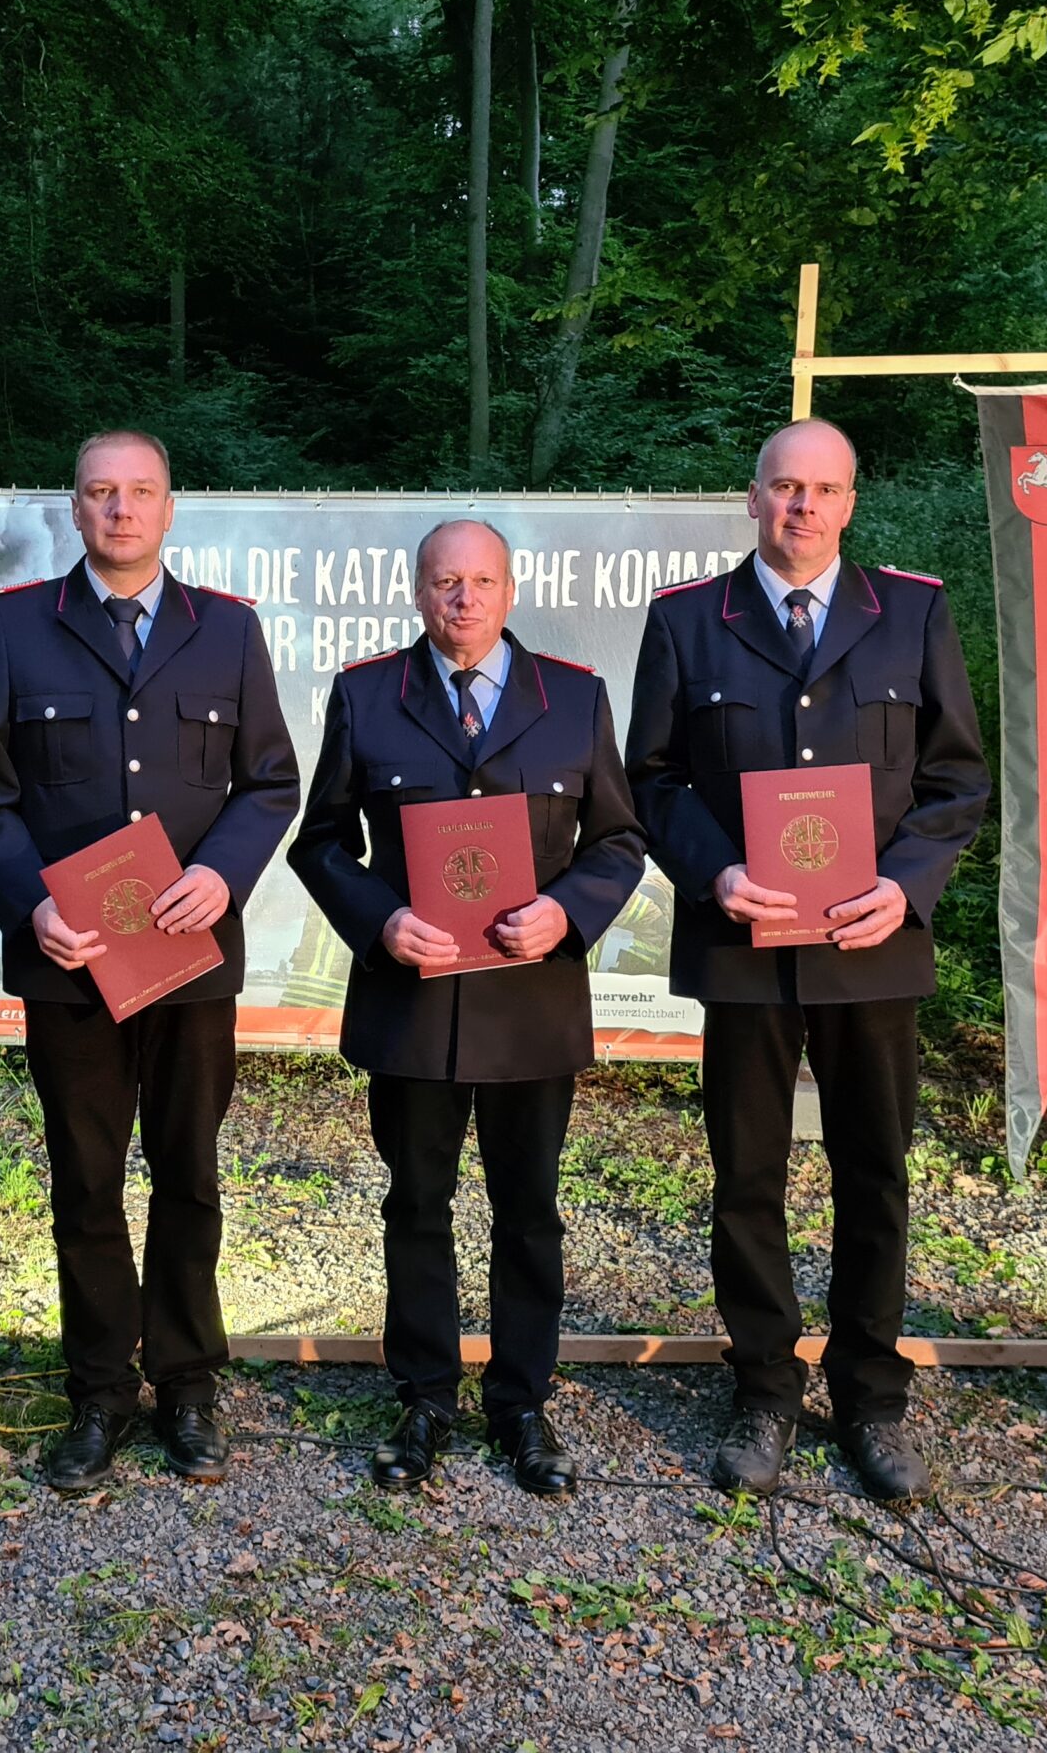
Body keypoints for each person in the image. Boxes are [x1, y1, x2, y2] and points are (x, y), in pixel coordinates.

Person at [624, 418, 988, 1503]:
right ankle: (765, 1389)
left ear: (850, 503)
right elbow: (651, 780)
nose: (803, 507)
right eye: (785, 486)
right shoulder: (689, 619)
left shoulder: (911, 612)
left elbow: (956, 780)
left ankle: (871, 1396)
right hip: (745, 944)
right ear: (753, 498)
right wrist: (714, 872)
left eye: (825, 489)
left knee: (874, 1175)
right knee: (747, 1177)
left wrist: (905, 885)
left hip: (870, 944)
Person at [0, 431, 299, 1492]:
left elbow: (269, 782)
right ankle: (98, 1391)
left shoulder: (226, 630)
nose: (121, 510)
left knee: (188, 1173)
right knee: (86, 1180)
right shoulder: (16, 627)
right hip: (71, 961)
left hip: (190, 960)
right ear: (74, 507)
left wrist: (224, 874)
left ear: (169, 507)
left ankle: (187, 1384)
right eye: (100, 491)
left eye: (140, 492)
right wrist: (30, 902)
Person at [288, 519, 645, 1496]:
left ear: (510, 591)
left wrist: (566, 913)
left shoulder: (573, 697)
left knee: (529, 1212)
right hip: (414, 1004)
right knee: (416, 1205)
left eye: (482, 581)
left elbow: (618, 841)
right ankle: (425, 1399)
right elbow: (320, 843)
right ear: (418, 592)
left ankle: (521, 1402)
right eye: (446, 582)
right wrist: (380, 919)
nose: (464, 599)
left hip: (530, 1002)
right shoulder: (368, 695)